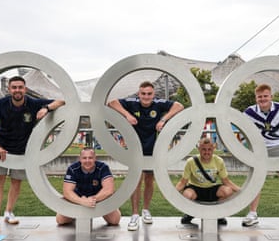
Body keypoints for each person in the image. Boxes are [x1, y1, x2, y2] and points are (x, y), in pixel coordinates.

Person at [0, 76, 65, 236]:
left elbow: (62, 101)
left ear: (25, 89)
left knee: (16, 182)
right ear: (9, 90)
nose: (17, 90)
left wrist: (46, 108)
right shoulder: (2, 104)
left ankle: (9, 212)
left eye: (20, 87)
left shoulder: (32, 103)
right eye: (14, 87)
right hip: (2, 149)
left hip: (22, 149)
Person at [108, 80, 184, 231]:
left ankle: (146, 211)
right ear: (139, 93)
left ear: (153, 94)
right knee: (136, 180)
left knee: (149, 179)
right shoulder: (132, 102)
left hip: (153, 147)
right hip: (135, 148)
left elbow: (179, 106)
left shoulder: (158, 103)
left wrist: (163, 119)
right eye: (143, 94)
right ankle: (135, 214)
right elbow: (112, 102)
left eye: (149, 94)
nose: (146, 97)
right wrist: (127, 115)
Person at [242, 83, 279, 229]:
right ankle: (252, 213)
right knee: (256, 179)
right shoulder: (249, 112)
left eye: (265, 96)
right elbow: (242, 129)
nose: (263, 99)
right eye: (259, 97)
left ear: (271, 96)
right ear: (256, 98)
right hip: (259, 147)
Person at [175, 137, 240, 225]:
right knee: (187, 194)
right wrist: (171, 193)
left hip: (212, 189)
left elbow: (226, 181)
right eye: (203, 149)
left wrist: (242, 191)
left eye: (209, 149)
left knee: (227, 191)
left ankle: (218, 214)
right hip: (195, 188)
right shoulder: (191, 162)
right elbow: (183, 182)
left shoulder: (219, 161)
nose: (207, 152)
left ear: (213, 149)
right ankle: (190, 213)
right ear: (199, 149)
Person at [56, 147, 121, 226]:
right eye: (84, 158)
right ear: (80, 159)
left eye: (90, 158)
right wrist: (81, 201)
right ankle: (75, 214)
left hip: (99, 200)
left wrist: (93, 199)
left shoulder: (103, 167)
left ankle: (80, 210)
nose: (87, 161)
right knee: (60, 220)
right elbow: (67, 191)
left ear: (95, 158)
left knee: (115, 220)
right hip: (78, 199)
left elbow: (109, 189)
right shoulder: (73, 169)